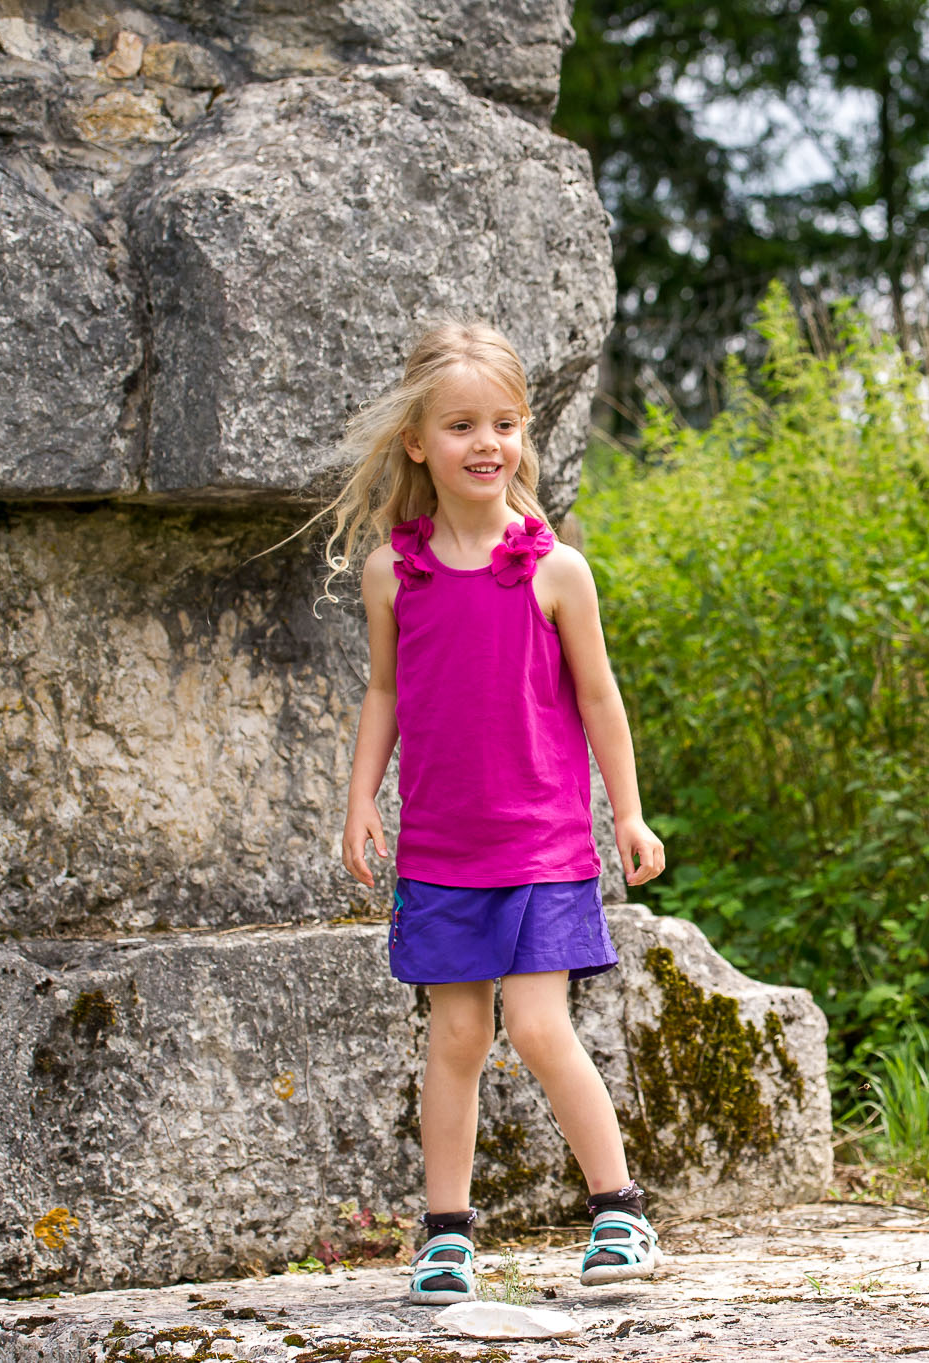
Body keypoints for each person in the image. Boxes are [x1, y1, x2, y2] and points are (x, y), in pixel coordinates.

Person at [319, 319, 666, 1303]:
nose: (487, 444)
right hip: (440, 851)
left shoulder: (555, 570)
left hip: (544, 846)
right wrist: (360, 799)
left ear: (524, 434)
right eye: (462, 424)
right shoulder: (395, 573)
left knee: (541, 1027)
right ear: (417, 442)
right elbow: (384, 691)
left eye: (505, 424)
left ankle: (620, 1211)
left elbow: (599, 697)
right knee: (457, 1037)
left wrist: (628, 814)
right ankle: (446, 1235)